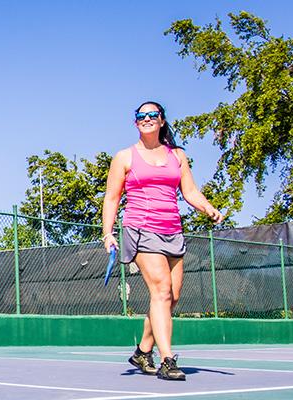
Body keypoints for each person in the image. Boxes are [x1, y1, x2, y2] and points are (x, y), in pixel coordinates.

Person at [101, 101, 223, 381]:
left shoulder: (177, 155)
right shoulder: (125, 157)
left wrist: (208, 208)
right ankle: (168, 359)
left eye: (152, 115)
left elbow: (190, 191)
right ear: (135, 123)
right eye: (140, 116)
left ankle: (143, 350)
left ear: (162, 121)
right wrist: (108, 233)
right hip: (141, 230)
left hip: (172, 231)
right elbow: (112, 197)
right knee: (161, 291)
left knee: (171, 298)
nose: (146, 119)